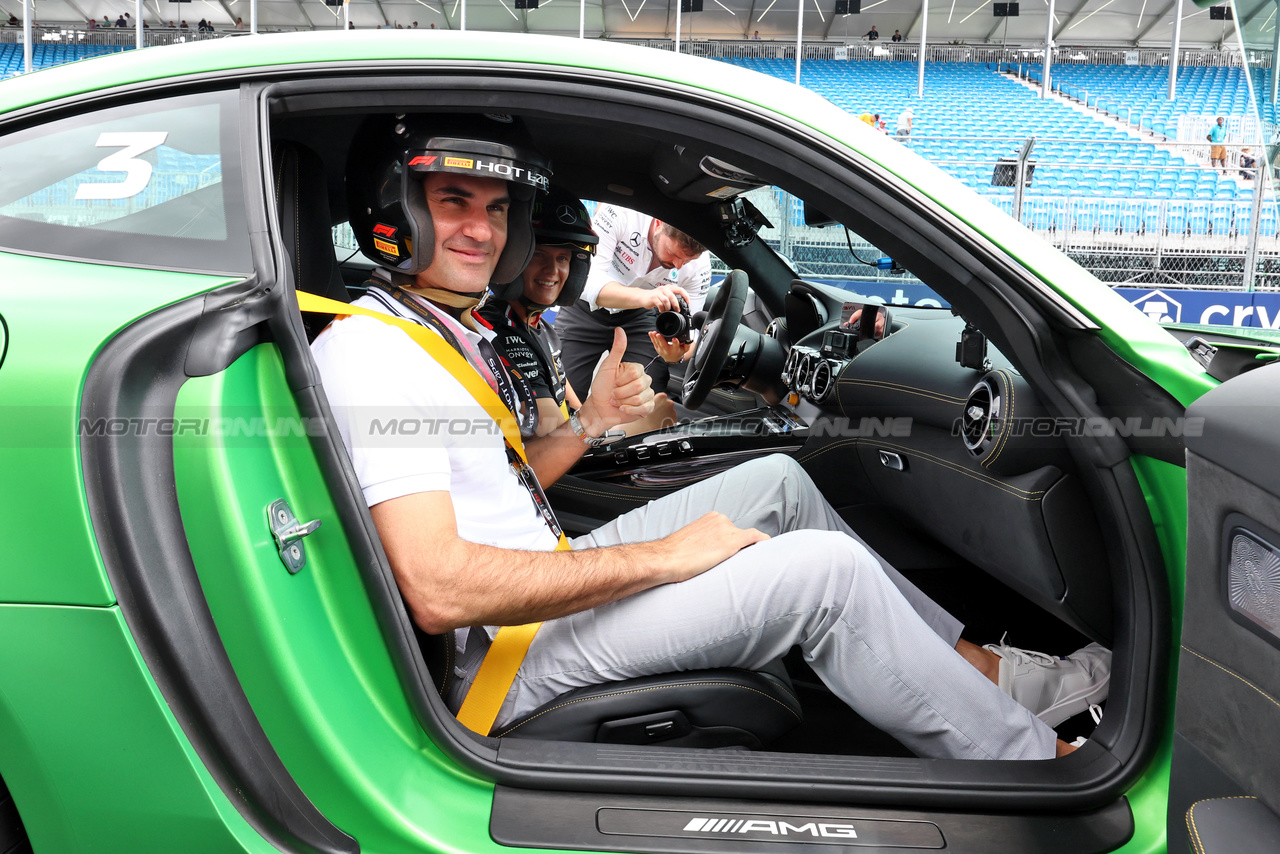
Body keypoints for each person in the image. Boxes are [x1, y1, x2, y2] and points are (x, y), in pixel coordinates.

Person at [311, 112, 1110, 759]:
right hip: (507, 655)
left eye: (494, 208)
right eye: (454, 201)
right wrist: (665, 557)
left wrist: (589, 424)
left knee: (779, 483)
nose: (481, 231)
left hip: (538, 576)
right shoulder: (373, 353)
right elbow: (441, 589)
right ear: (396, 209)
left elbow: (504, 491)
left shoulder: (442, 331)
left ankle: (984, 672)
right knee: (822, 574)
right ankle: (1039, 763)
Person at [479, 187, 677, 439]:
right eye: (539, 255)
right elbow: (554, 442)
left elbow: (574, 412)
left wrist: (603, 416)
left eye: (563, 258)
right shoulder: (502, 331)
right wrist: (639, 424)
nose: (552, 271)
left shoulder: (542, 331)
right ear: (515, 257)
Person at [553, 203, 709, 400]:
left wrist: (676, 355)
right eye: (674, 254)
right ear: (659, 222)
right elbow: (587, 280)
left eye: (687, 261)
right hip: (585, 307)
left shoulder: (701, 268)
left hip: (643, 317)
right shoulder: (619, 212)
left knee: (649, 399)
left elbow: (691, 332)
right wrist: (645, 297)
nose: (678, 265)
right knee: (560, 389)